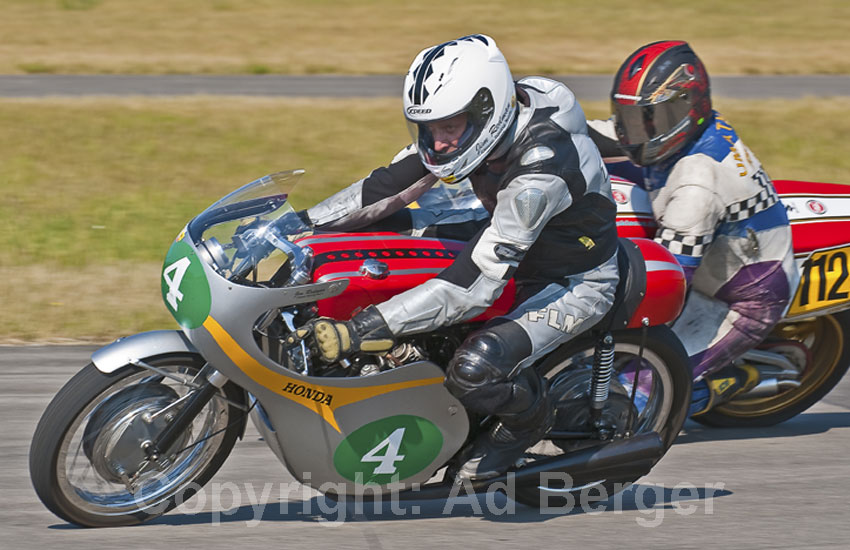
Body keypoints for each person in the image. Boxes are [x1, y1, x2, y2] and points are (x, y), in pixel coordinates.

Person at [292, 34, 620, 480]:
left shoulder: (541, 171)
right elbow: (387, 187)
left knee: (474, 368)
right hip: (508, 235)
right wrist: (297, 228)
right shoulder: (483, 126)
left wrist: (362, 328)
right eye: (429, 129)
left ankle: (527, 423)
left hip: (571, 280)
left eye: (449, 128)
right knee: (375, 240)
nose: (438, 143)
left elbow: (476, 284)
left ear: (489, 111)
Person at [587, 40, 798, 415]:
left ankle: (724, 383)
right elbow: (591, 135)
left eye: (652, 120)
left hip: (739, 299)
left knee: (632, 391)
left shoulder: (696, 186)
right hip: (721, 256)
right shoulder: (687, 136)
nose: (637, 133)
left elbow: (665, 285)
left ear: (689, 108)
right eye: (632, 118)